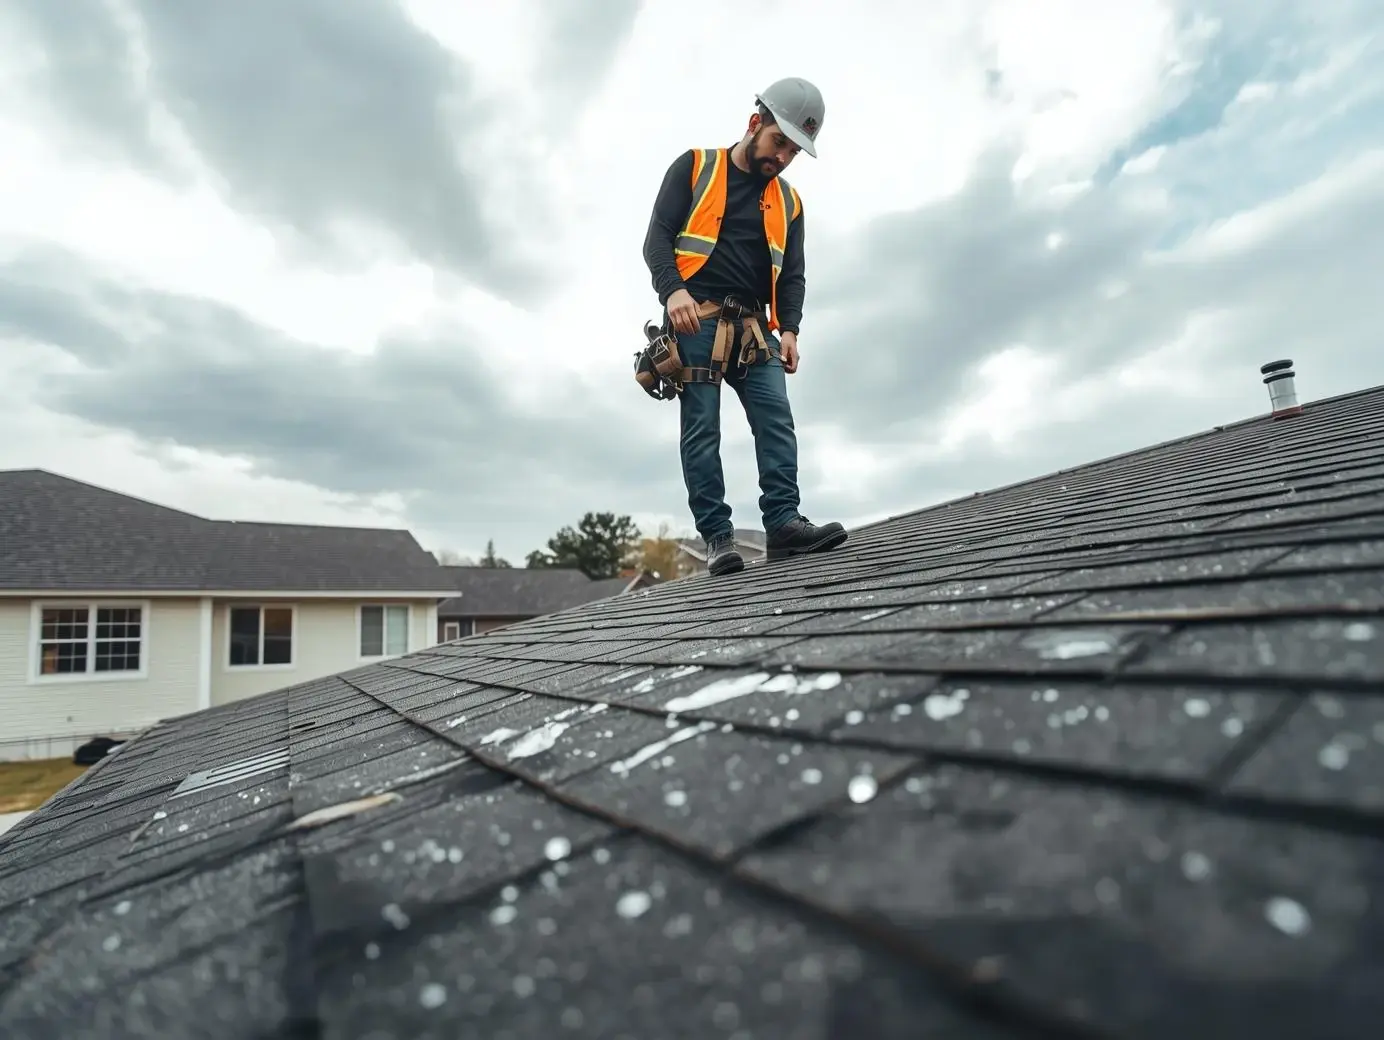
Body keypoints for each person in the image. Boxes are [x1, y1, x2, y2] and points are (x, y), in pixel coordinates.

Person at [641, 77, 848, 576]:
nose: (782, 157)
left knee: (776, 418)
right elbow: (657, 239)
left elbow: (792, 272)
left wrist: (791, 329)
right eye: (780, 142)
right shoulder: (694, 167)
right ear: (755, 123)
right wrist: (674, 292)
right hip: (698, 320)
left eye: (794, 151)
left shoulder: (790, 203)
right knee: (702, 430)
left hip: (756, 328)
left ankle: (783, 523)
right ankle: (717, 538)